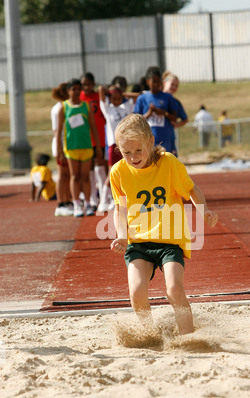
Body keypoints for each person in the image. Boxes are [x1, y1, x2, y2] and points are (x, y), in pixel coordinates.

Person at [110, 114, 218, 335]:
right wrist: (122, 235)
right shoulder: (118, 172)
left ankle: (188, 336)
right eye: (126, 152)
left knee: (174, 288)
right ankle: (149, 334)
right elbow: (120, 208)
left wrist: (204, 209)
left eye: (138, 150)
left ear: (150, 140)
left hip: (169, 241)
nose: (132, 157)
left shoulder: (168, 163)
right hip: (139, 242)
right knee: (137, 293)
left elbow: (191, 189)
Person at [56, 78, 104, 218]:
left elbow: (93, 127)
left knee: (85, 176)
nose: (76, 92)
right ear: (68, 91)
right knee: (75, 176)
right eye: (73, 89)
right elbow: (59, 130)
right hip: (71, 148)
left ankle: (87, 203)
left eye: (78, 89)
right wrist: (59, 149)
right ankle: (77, 204)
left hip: (87, 146)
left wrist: (99, 147)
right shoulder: (64, 107)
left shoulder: (86, 106)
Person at [97, 84, 134, 212]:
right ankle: (103, 200)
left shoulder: (126, 107)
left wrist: (123, 94)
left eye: (119, 98)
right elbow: (100, 89)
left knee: (126, 171)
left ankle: (119, 199)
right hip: (113, 145)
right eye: (114, 98)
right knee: (112, 173)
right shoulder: (107, 108)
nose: (117, 100)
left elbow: (138, 96)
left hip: (126, 145)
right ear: (110, 98)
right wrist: (110, 91)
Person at [133, 66, 179, 153]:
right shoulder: (142, 98)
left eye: (158, 81)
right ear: (147, 82)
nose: (156, 84)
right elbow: (135, 121)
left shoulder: (167, 97)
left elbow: (174, 117)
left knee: (164, 164)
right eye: (154, 81)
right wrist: (149, 113)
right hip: (147, 140)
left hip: (165, 139)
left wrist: (163, 113)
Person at [80, 72, 107, 210]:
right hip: (86, 139)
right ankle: (92, 199)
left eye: (89, 83)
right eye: (84, 84)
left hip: (100, 137)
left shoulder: (98, 97)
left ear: (93, 84)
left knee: (100, 167)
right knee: (88, 170)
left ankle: (104, 197)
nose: (87, 86)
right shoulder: (80, 98)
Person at [51, 83, 73, 216]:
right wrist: (59, 149)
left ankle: (67, 200)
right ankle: (60, 203)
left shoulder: (67, 106)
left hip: (69, 144)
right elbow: (56, 130)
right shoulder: (58, 108)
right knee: (62, 174)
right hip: (61, 145)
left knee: (68, 175)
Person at [162, 71, 188, 156]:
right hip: (155, 137)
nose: (174, 87)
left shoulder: (175, 102)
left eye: (176, 86)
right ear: (164, 83)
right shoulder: (155, 97)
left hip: (169, 138)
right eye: (172, 84)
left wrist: (176, 124)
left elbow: (185, 119)